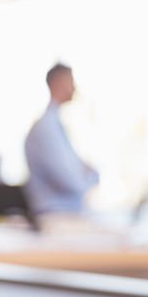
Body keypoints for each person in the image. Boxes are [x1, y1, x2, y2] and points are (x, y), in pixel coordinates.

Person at [23, 63, 99, 213]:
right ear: (58, 83)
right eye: (71, 81)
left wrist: (85, 173)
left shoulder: (56, 124)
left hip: (65, 213)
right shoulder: (46, 128)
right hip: (56, 214)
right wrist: (89, 176)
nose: (75, 87)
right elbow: (70, 180)